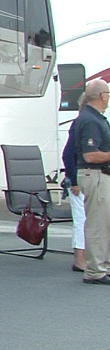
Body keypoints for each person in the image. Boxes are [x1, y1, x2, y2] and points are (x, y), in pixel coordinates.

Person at [72, 79, 110, 284]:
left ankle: (103, 265)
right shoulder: (91, 121)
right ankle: (95, 270)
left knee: (105, 223)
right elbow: (90, 155)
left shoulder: (95, 118)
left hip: (100, 176)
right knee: (97, 224)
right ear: (102, 95)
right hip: (94, 175)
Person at [61, 103, 87, 273]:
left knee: (86, 220)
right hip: (79, 180)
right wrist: (74, 180)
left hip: (86, 178)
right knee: (81, 219)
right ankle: (79, 259)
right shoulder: (80, 124)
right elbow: (68, 154)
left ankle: (86, 257)